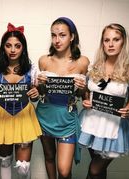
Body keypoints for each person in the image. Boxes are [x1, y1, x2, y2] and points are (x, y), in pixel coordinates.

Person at [78, 23, 129, 179]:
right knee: (99, 170)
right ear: (102, 43)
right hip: (90, 123)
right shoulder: (94, 67)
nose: (111, 44)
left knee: (95, 169)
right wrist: (85, 100)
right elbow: (87, 92)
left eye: (116, 39)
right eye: (106, 40)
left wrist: (128, 108)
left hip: (113, 126)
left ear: (123, 41)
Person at [0, 23, 42, 179]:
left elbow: (35, 97)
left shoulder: (31, 69)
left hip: (24, 115)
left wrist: (35, 94)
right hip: (1, 115)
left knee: (23, 168)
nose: (12, 50)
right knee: (5, 162)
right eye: (8, 46)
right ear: (3, 47)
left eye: (17, 46)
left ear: (23, 48)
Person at [36, 17, 89, 179]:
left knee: (64, 170)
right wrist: (40, 84)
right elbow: (41, 91)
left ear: (72, 36)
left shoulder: (82, 62)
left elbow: (81, 95)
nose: (57, 40)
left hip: (67, 117)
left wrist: (81, 88)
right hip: (45, 114)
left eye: (62, 35)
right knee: (49, 157)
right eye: (53, 35)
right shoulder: (44, 60)